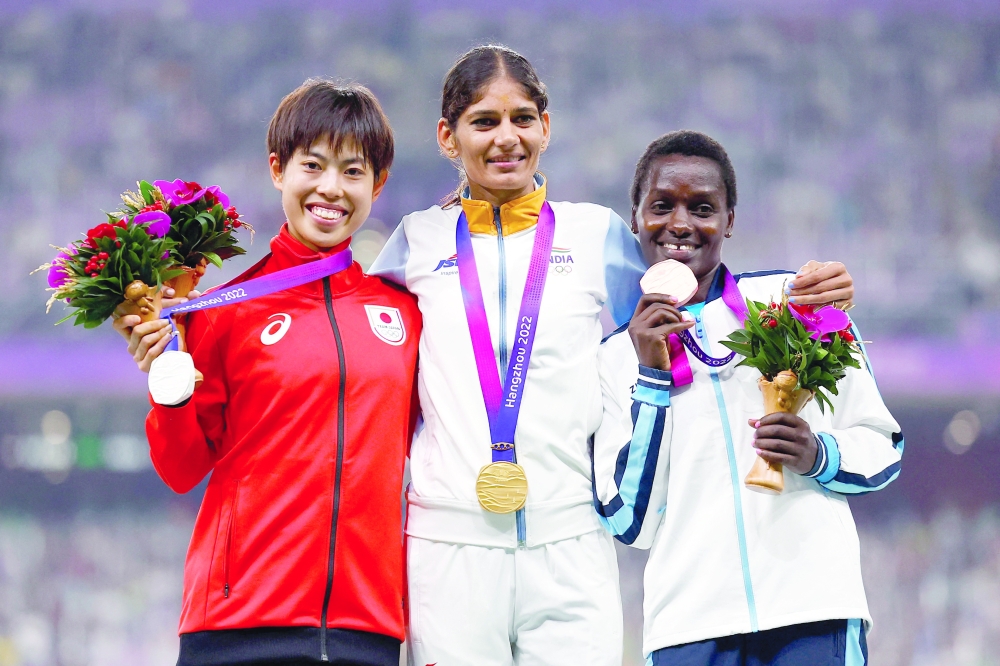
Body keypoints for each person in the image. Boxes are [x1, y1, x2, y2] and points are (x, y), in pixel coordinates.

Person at [370, 45, 856, 665]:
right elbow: (363, 347)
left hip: (571, 541)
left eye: (522, 118)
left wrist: (799, 293)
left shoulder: (593, 232)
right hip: (448, 541)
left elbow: (696, 308)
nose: (506, 138)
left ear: (546, 126)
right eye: (484, 121)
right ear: (448, 135)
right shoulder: (416, 242)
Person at [112, 79, 420, 666]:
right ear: (278, 169)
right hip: (237, 625)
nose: (331, 188)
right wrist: (165, 379)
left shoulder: (405, 312)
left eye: (352, 172)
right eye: (314, 165)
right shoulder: (223, 311)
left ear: (377, 185)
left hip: (368, 628)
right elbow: (181, 470)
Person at [593, 130, 903, 665]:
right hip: (687, 629)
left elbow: (885, 447)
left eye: (703, 207)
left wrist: (818, 454)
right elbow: (629, 523)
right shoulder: (611, 359)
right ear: (636, 218)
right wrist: (651, 376)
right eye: (662, 205)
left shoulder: (796, 304)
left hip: (813, 610)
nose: (681, 224)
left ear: (730, 220)